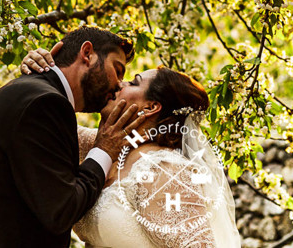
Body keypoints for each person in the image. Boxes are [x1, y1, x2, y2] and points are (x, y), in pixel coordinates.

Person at [0, 27, 144, 248]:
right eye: (118, 70)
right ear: (87, 54)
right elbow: (61, 210)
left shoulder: (26, 92)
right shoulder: (45, 104)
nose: (118, 85)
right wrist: (104, 150)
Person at [22, 45, 242, 247]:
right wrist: (40, 73)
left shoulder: (164, 170)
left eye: (133, 82)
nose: (119, 84)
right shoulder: (100, 147)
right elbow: (35, 123)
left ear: (151, 107)